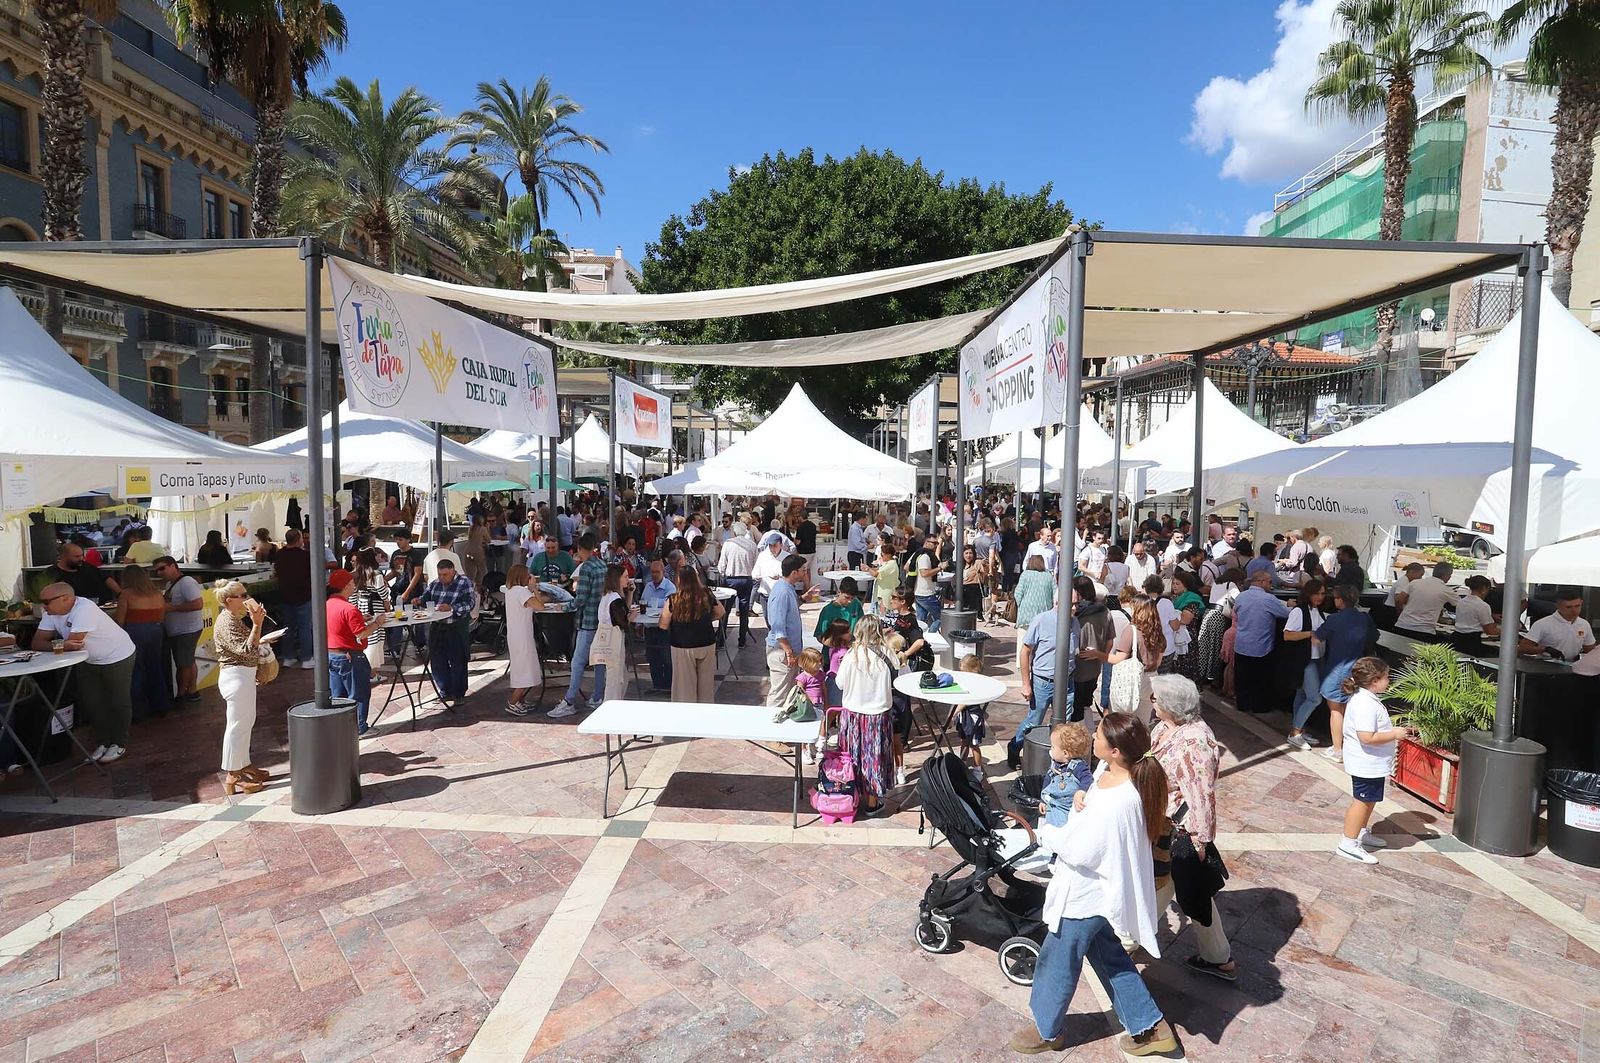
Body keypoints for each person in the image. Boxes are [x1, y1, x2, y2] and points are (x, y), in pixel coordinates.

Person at [1011, 712, 1178, 1057]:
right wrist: (1077, 802)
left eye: (1099, 734)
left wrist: (1047, 833)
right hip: (1098, 895)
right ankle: (1150, 1026)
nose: (1093, 737)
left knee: (1056, 961)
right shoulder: (1108, 775)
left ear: (1115, 751)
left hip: (1085, 896)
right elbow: (1093, 823)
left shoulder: (1122, 800)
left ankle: (1047, 1030)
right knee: (1109, 956)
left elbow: (1084, 850)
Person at [1147, 674, 1235, 980]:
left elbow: (1201, 794)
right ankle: (1218, 958)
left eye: (1155, 699)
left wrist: (1200, 840)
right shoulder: (1165, 728)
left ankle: (1126, 941)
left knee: (1162, 884)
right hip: (1160, 824)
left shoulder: (1193, 740)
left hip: (1178, 830)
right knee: (1190, 890)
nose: (1151, 702)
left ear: (1170, 705)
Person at [33, 582, 136, 763]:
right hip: (87, 658)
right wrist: (62, 645)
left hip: (115, 655)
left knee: (118, 700)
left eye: (46, 601)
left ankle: (119, 743)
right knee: (92, 702)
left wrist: (58, 645)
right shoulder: (51, 612)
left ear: (66, 598)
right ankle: (103, 742)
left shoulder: (84, 609)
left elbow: (74, 643)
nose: (43, 606)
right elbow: (37, 643)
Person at [1336, 657, 1411, 864]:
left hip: (1373, 763)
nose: (1389, 681)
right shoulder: (1364, 704)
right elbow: (1366, 737)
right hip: (1365, 763)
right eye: (1386, 677)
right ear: (1374, 680)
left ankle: (1360, 831)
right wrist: (1394, 734)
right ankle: (1348, 843)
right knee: (1362, 801)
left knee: (1370, 800)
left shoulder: (1367, 699)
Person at [208, 579, 269, 793]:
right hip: (236, 677)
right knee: (236, 726)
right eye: (242, 596)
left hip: (242, 676)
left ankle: (243, 764)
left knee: (245, 723)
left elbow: (249, 647)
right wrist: (257, 624)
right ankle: (233, 773)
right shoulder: (226, 622)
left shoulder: (233, 618)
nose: (246, 598)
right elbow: (246, 650)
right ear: (229, 600)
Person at [835, 617, 897, 817]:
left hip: (853, 715)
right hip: (878, 716)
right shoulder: (887, 654)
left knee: (852, 757)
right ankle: (872, 802)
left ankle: (850, 796)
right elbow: (899, 678)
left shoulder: (851, 655)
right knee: (874, 757)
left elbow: (840, 684)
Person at [549, 534, 606, 718]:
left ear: (582, 549)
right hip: (601, 620)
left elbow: (580, 599)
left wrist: (564, 606)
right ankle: (597, 697)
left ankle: (569, 700)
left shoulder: (586, 568)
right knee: (599, 662)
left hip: (587, 621)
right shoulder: (602, 565)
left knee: (577, 662)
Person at [410, 558, 477, 709]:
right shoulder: (435, 583)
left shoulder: (464, 583)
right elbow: (426, 597)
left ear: (453, 571)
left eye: (445, 575)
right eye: (440, 574)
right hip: (437, 627)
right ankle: (444, 690)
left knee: (458, 661)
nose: (442, 578)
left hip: (455, 626)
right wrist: (418, 601)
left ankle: (459, 693)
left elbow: (470, 603)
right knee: (438, 660)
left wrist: (452, 608)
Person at [326, 569, 385, 734]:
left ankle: (340, 728)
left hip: (331, 655)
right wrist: (377, 623)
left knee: (338, 695)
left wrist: (360, 618)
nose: (354, 587)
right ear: (345, 587)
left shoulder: (326, 604)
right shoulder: (348, 608)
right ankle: (360, 728)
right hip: (350, 656)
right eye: (352, 584)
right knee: (358, 694)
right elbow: (361, 634)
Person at [114, 563, 169, 722]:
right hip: (156, 630)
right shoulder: (157, 594)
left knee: (136, 670)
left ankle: (137, 711)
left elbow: (120, 620)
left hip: (134, 632)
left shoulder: (126, 594)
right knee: (155, 667)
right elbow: (161, 617)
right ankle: (160, 705)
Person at [1010, 602, 1062, 770]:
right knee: (1034, 720)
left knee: (1063, 723)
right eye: (1072, 604)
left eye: (1076, 604)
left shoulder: (1075, 622)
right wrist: (1026, 684)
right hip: (1042, 681)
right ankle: (1015, 747)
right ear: (1057, 602)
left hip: (1066, 683)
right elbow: (1025, 651)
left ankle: (1057, 759)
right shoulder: (1041, 620)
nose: (1075, 608)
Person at [661, 566, 722, 703]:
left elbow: (663, 624)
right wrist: (704, 618)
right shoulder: (706, 594)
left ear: (679, 580)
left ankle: (686, 718)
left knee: (684, 689)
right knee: (706, 688)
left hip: (682, 645)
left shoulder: (673, 599)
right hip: (706, 642)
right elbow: (720, 612)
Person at [1231, 571, 1290, 714]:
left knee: (1243, 678)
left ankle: (1243, 704)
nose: (1272, 585)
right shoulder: (1268, 599)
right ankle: (1260, 706)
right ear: (1262, 582)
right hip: (1260, 646)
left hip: (1242, 644)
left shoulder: (1241, 597)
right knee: (1261, 680)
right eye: (1270, 582)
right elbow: (1287, 613)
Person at [150, 557, 204, 704]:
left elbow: (198, 604)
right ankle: (192, 691)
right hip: (181, 630)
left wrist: (171, 608)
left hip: (186, 630)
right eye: (157, 570)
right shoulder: (170, 584)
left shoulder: (186, 582)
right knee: (188, 661)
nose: (159, 572)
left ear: (173, 566)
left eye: (162, 568)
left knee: (183, 664)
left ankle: (181, 695)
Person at [1106, 598, 1164, 727]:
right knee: (1142, 724)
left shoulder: (1131, 630)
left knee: (1123, 722)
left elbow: (1119, 659)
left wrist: (1098, 655)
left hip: (1132, 681)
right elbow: (1159, 660)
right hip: (1151, 679)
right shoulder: (1157, 631)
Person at [1283, 579, 1328, 749]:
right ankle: (1295, 731)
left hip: (1316, 658)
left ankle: (1298, 730)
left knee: (1301, 696)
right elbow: (1287, 635)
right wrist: (1310, 634)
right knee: (1314, 697)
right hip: (1303, 659)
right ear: (1309, 593)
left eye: (1323, 594)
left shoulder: (1319, 611)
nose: (1319, 597)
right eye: (1316, 593)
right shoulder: (1299, 612)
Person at [501, 564, 546, 716]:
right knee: (524, 671)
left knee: (526, 667)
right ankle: (513, 702)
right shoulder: (521, 592)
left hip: (517, 635)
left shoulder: (511, 591)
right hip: (522, 637)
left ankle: (519, 700)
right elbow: (540, 606)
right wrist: (534, 589)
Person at [765, 554, 808, 708]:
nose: (805, 572)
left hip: (788, 651)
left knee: (788, 692)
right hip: (782, 652)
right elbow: (777, 626)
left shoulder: (787, 588)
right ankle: (770, 728)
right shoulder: (782, 592)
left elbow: (788, 611)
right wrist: (789, 652)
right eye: (803, 570)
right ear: (794, 572)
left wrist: (802, 599)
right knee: (779, 694)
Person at [1038, 723, 1094, 827]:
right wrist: (1043, 800)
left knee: (1062, 826)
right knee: (1050, 822)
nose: (1051, 750)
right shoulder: (1055, 765)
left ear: (1065, 753)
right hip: (1053, 804)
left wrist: (1081, 792)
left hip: (1068, 808)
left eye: (1053, 747)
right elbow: (1048, 782)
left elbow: (1088, 779)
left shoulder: (1078, 766)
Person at [273, 528, 314, 670]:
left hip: (285, 595)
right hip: (303, 595)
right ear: (298, 540)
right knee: (304, 628)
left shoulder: (279, 555)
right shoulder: (305, 556)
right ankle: (307, 658)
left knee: (288, 628)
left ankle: (288, 657)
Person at [1073, 576, 1115, 717]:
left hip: (1074, 667)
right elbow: (1110, 641)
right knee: (1086, 704)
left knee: (1074, 708)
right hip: (1094, 667)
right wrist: (1101, 657)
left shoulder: (1073, 613)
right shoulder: (1105, 611)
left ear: (1077, 592)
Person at [590, 565, 631, 704]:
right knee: (616, 678)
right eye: (625, 577)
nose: (628, 579)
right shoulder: (614, 599)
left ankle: (614, 705)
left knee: (621, 676)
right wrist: (632, 617)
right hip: (614, 641)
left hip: (605, 639)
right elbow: (622, 622)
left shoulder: (607, 596)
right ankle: (611, 707)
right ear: (617, 579)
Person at [1519, 588, 1595, 661]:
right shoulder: (1543, 624)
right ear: (1558, 606)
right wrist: (1544, 649)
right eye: (1568, 607)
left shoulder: (1584, 624)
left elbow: (1590, 650)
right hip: (1546, 666)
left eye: (1577, 606)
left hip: (1571, 666)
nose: (1574, 611)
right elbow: (1523, 648)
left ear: (1581, 603)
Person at [716, 520, 758, 648]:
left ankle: (721, 641)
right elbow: (756, 563)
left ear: (734, 532)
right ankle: (742, 641)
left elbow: (721, 565)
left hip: (731, 580)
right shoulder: (751, 544)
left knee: (725, 610)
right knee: (744, 612)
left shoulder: (728, 544)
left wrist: (722, 574)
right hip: (746, 579)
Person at [638, 558, 677, 693]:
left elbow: (669, 603)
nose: (654, 574)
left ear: (663, 572)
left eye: (657, 572)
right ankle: (657, 685)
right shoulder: (648, 586)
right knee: (653, 658)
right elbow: (643, 601)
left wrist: (655, 602)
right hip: (650, 626)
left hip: (663, 627)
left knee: (666, 658)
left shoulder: (670, 587)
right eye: (652, 572)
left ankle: (668, 686)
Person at [1394, 561, 1453, 640]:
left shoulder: (1415, 583)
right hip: (1424, 630)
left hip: (1402, 625)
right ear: (1448, 576)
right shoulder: (1446, 590)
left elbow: (1398, 599)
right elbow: (1461, 605)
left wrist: (1400, 615)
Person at [1013, 554, 1056, 657]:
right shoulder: (1049, 576)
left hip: (1026, 613)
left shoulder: (1025, 574)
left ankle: (1021, 664)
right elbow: (1055, 594)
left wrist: (1022, 605)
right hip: (1044, 613)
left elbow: (1017, 594)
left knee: (1023, 640)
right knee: (1040, 641)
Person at [50, 540, 118, 604]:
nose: (81, 558)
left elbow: (106, 578)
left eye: (82, 555)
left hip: (101, 605)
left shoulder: (87, 567)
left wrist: (120, 593)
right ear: (64, 557)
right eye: (76, 556)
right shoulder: (52, 574)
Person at [1450, 575, 1500, 657]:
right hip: (1471, 641)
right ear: (1484, 589)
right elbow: (1490, 631)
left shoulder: (1461, 601)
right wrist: (1506, 632)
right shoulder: (1483, 606)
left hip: (1456, 638)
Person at [911, 533, 945, 633]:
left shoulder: (918, 554)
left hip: (918, 592)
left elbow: (907, 567)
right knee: (940, 618)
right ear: (926, 543)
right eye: (934, 543)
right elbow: (924, 573)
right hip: (926, 593)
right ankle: (930, 635)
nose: (936, 545)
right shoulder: (925, 556)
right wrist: (940, 568)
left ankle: (919, 638)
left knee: (921, 621)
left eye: (937, 543)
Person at [871, 542, 901, 615]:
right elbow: (879, 570)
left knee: (883, 614)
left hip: (886, 592)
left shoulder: (891, 565)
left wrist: (868, 569)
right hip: (882, 591)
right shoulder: (888, 563)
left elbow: (876, 574)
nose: (881, 556)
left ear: (889, 555)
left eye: (882, 554)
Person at [959, 543, 987, 612]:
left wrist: (984, 565)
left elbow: (985, 572)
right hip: (962, 591)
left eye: (970, 553)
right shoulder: (960, 564)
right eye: (966, 553)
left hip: (974, 589)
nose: (968, 555)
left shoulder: (977, 563)